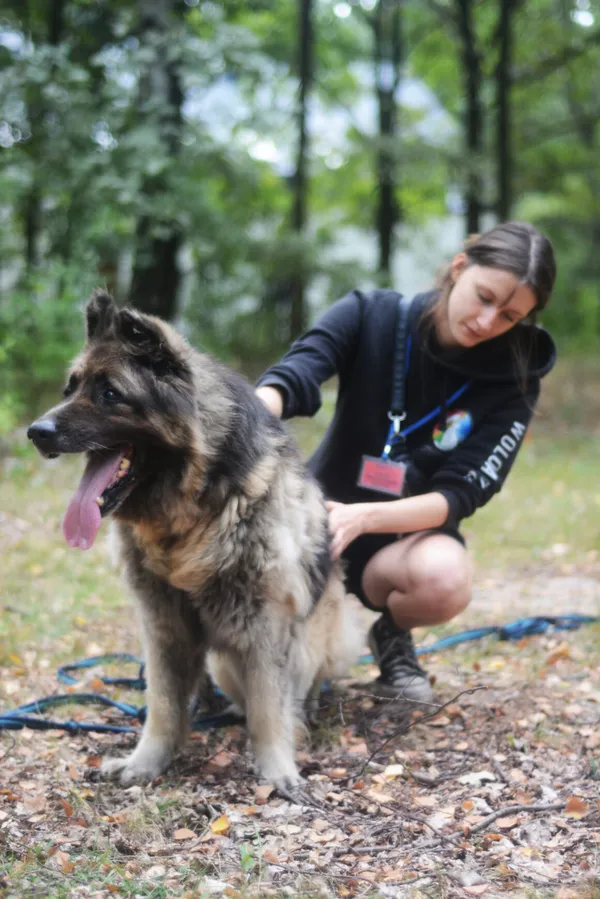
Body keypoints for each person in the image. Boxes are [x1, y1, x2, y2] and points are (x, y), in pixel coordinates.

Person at [255, 221, 557, 703]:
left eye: (508, 315)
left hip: (403, 536)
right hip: (315, 517)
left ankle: (391, 637)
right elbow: (297, 373)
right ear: (459, 268)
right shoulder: (370, 315)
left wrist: (364, 517)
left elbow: (461, 493)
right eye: (484, 296)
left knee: (446, 579)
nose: (487, 320)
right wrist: (251, 412)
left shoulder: (515, 377)